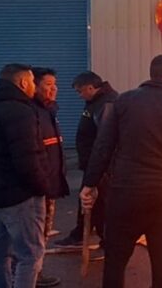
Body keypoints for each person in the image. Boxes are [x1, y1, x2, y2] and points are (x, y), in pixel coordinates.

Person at [80, 55, 162, 288]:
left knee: (116, 258)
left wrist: (89, 184)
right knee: (161, 257)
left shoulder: (124, 101)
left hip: (125, 191)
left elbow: (103, 147)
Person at [0, 63, 48, 288]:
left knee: (0, 252)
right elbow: (27, 159)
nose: (35, 87)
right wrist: (42, 186)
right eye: (33, 82)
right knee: (30, 254)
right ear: (23, 82)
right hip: (20, 196)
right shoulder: (20, 112)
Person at [54, 71, 118, 250]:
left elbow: (105, 140)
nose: (79, 95)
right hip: (92, 163)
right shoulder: (94, 103)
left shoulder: (107, 104)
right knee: (89, 201)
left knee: (101, 202)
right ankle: (81, 233)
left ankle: (108, 241)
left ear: (91, 87)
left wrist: (99, 167)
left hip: (101, 166)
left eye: (80, 91)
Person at [30, 67, 68, 288]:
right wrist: (42, 182)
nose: (54, 89)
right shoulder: (31, 113)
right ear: (32, 85)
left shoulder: (48, 111)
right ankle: (28, 276)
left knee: (42, 232)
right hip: (37, 186)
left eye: (55, 84)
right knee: (33, 236)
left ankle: (36, 272)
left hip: (48, 183)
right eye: (48, 84)